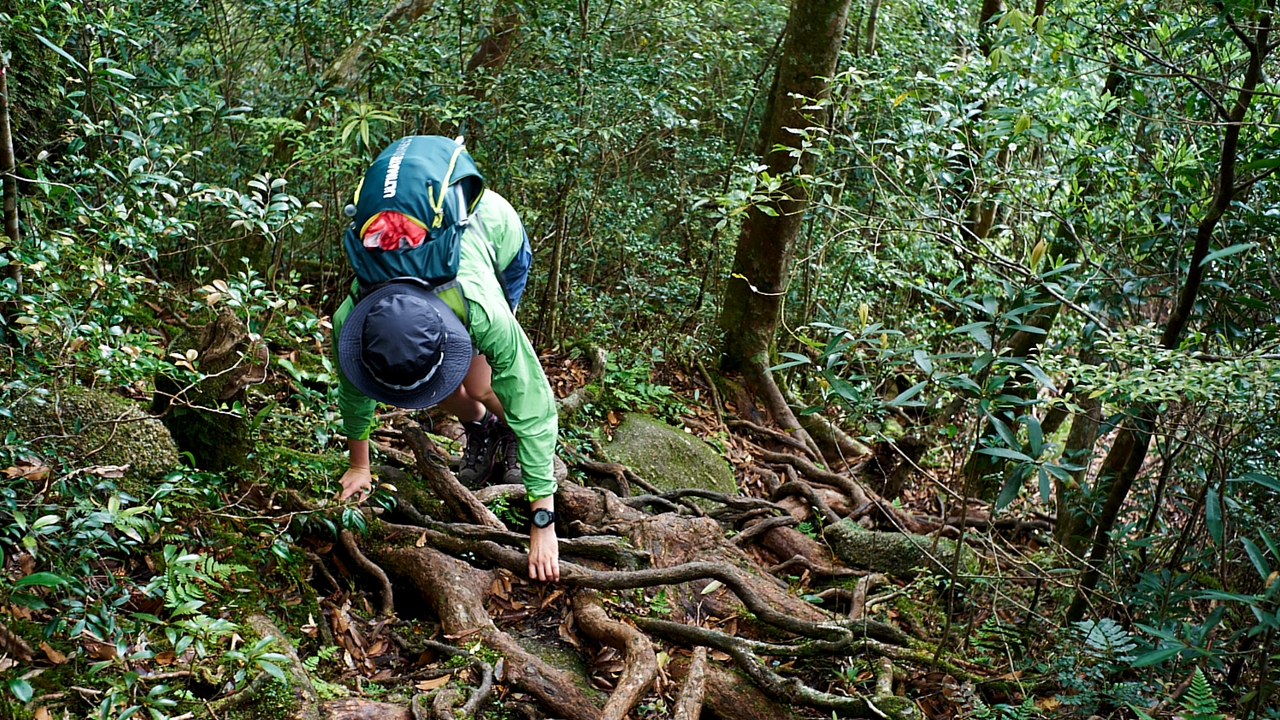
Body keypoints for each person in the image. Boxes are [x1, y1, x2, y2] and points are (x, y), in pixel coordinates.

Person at [329, 136, 559, 582]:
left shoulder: (480, 308)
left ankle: (509, 436)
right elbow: (353, 391)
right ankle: (483, 431)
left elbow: (532, 396)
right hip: (425, 280)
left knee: (482, 385)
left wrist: (542, 521)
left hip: (495, 240)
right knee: (440, 385)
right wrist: (359, 464)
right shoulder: (352, 318)